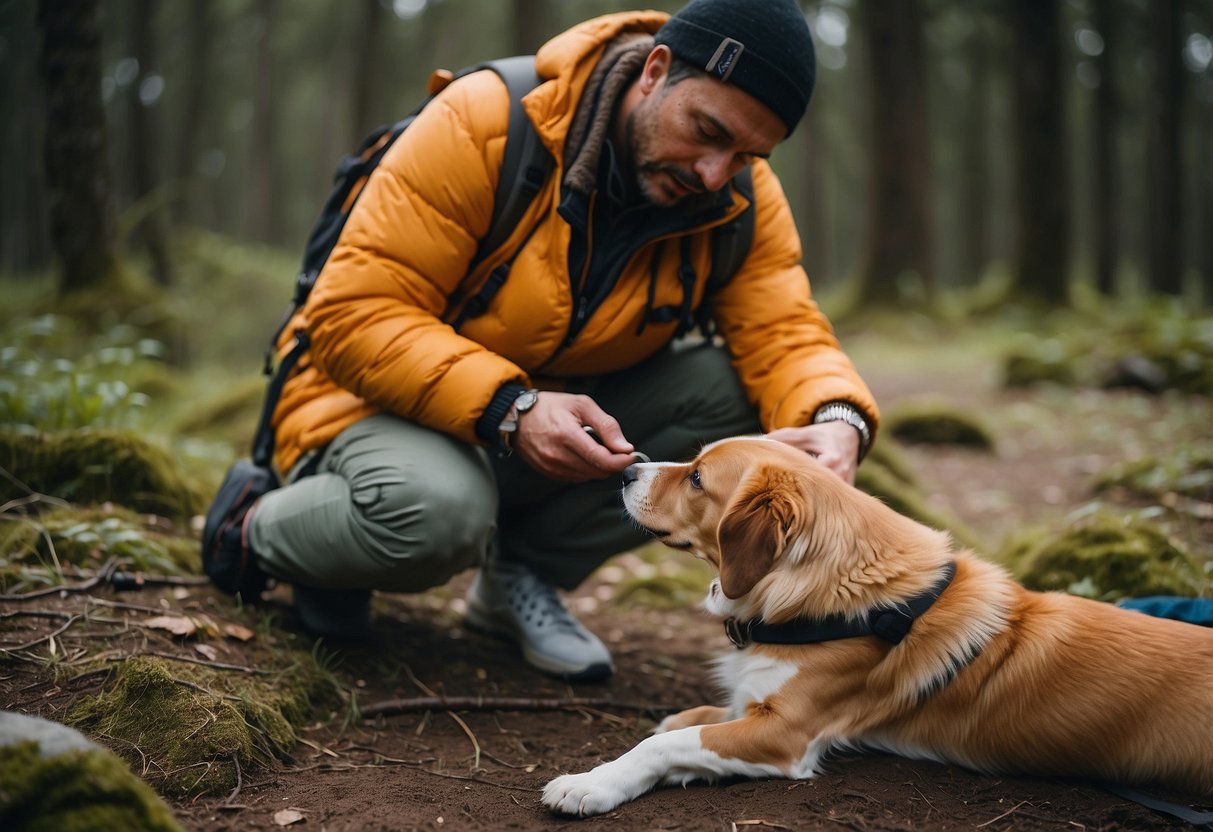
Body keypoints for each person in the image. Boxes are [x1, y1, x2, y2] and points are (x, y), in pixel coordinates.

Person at [231, 0, 879, 681]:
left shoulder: (739, 195)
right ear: (654, 71)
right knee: (436, 514)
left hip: (538, 421)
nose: (714, 174)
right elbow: (352, 314)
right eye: (706, 130)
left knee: (744, 408)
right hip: (366, 403)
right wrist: (515, 408)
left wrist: (832, 422)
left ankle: (516, 577)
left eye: (746, 154)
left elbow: (782, 332)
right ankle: (251, 530)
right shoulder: (485, 120)